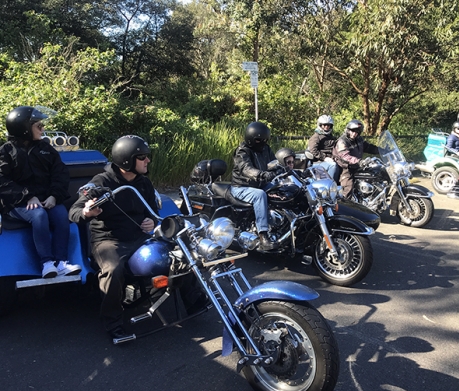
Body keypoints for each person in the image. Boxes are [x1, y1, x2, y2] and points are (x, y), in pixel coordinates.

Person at [69, 135, 205, 340]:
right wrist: (87, 212)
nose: (147, 161)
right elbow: (74, 211)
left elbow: (151, 210)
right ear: (126, 160)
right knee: (113, 271)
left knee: (179, 253)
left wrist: (151, 220)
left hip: (140, 237)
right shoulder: (101, 182)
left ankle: (193, 300)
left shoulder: (144, 183)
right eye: (142, 157)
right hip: (109, 240)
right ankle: (113, 322)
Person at [0, 106, 81, 278]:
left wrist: (54, 196)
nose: (42, 129)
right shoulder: (6, 152)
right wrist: (28, 196)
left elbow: (60, 174)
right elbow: (2, 181)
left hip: (46, 199)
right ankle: (47, 263)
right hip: (17, 202)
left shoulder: (45, 148)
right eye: (38, 126)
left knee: (61, 214)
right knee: (38, 215)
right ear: (24, 129)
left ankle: (61, 263)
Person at [230, 121, 279, 251]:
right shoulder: (242, 151)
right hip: (241, 187)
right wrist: (261, 174)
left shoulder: (266, 149)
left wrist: (280, 169)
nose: (263, 142)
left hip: (260, 184)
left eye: (265, 139)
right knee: (260, 195)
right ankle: (263, 235)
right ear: (251, 139)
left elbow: (274, 162)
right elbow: (246, 169)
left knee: (282, 190)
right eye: (259, 139)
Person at [332, 119, 380, 198]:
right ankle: (344, 206)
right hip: (346, 169)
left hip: (357, 166)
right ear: (348, 130)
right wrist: (359, 161)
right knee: (348, 187)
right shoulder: (342, 141)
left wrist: (382, 150)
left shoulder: (358, 140)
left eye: (357, 132)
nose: (354, 134)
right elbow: (345, 156)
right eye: (352, 131)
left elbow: (368, 147)